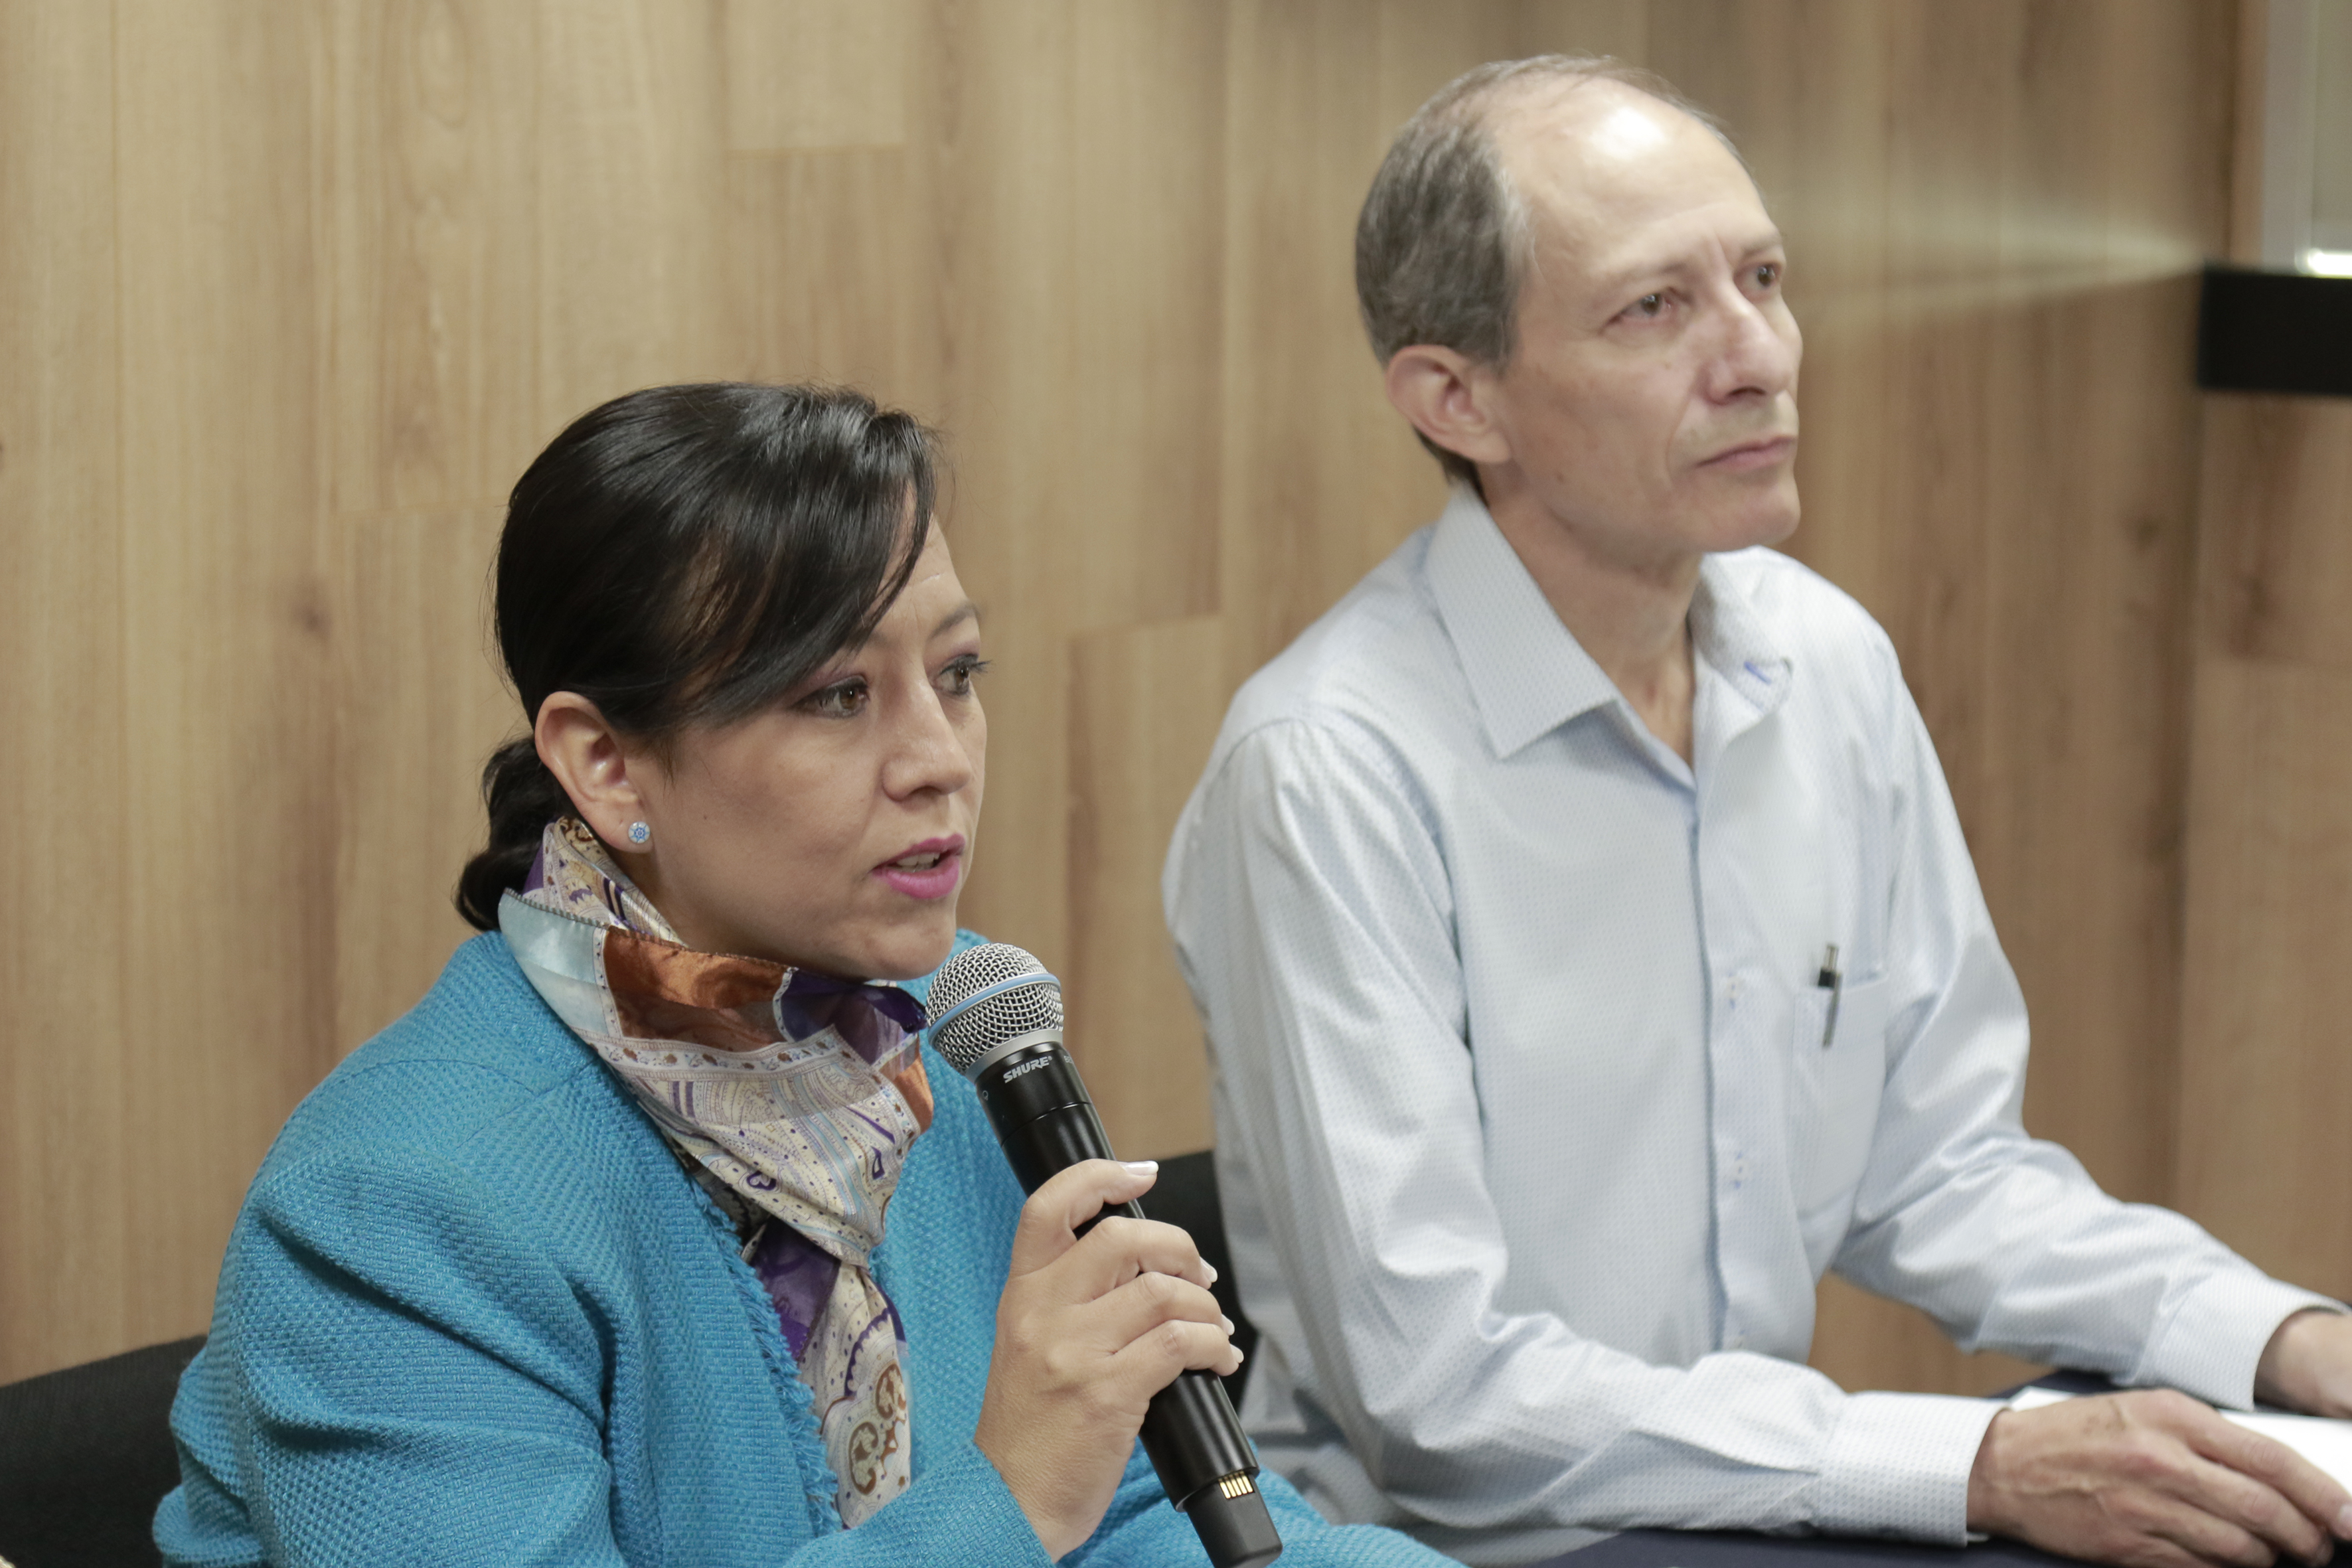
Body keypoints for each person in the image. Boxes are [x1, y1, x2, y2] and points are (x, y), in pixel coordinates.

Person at [1164, 56, 2352, 1568]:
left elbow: (1940, 1172)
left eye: (1763, 278)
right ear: (1457, 399)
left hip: (1755, 1505)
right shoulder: (1327, 768)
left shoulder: (1826, 662)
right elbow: (1438, 1393)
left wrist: (2283, 1336)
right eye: (1653, 308)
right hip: (1460, 1545)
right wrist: (1978, 1459)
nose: (1757, 357)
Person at [156, 382, 1445, 1567]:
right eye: (837, 694)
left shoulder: (929, 1035)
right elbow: (1042, 1496)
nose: (940, 758)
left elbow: (1134, 1518)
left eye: (956, 674)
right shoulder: (395, 1208)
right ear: (607, 763)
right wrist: (1009, 1495)